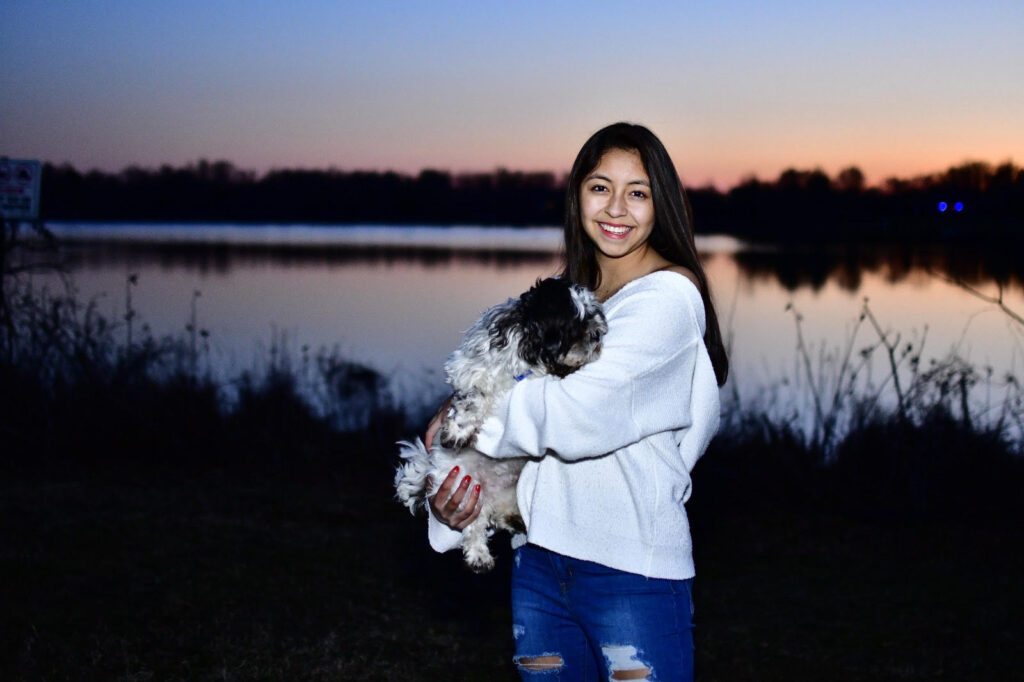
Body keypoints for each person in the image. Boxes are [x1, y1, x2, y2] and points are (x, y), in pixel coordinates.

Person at [424, 122, 729, 681]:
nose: (617, 207)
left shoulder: (667, 298)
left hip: (630, 572)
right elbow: (495, 390)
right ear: (577, 194)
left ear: (663, 204)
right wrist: (449, 507)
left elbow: (573, 417)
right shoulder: (567, 296)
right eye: (600, 186)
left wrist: (459, 420)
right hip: (538, 561)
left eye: (638, 192)